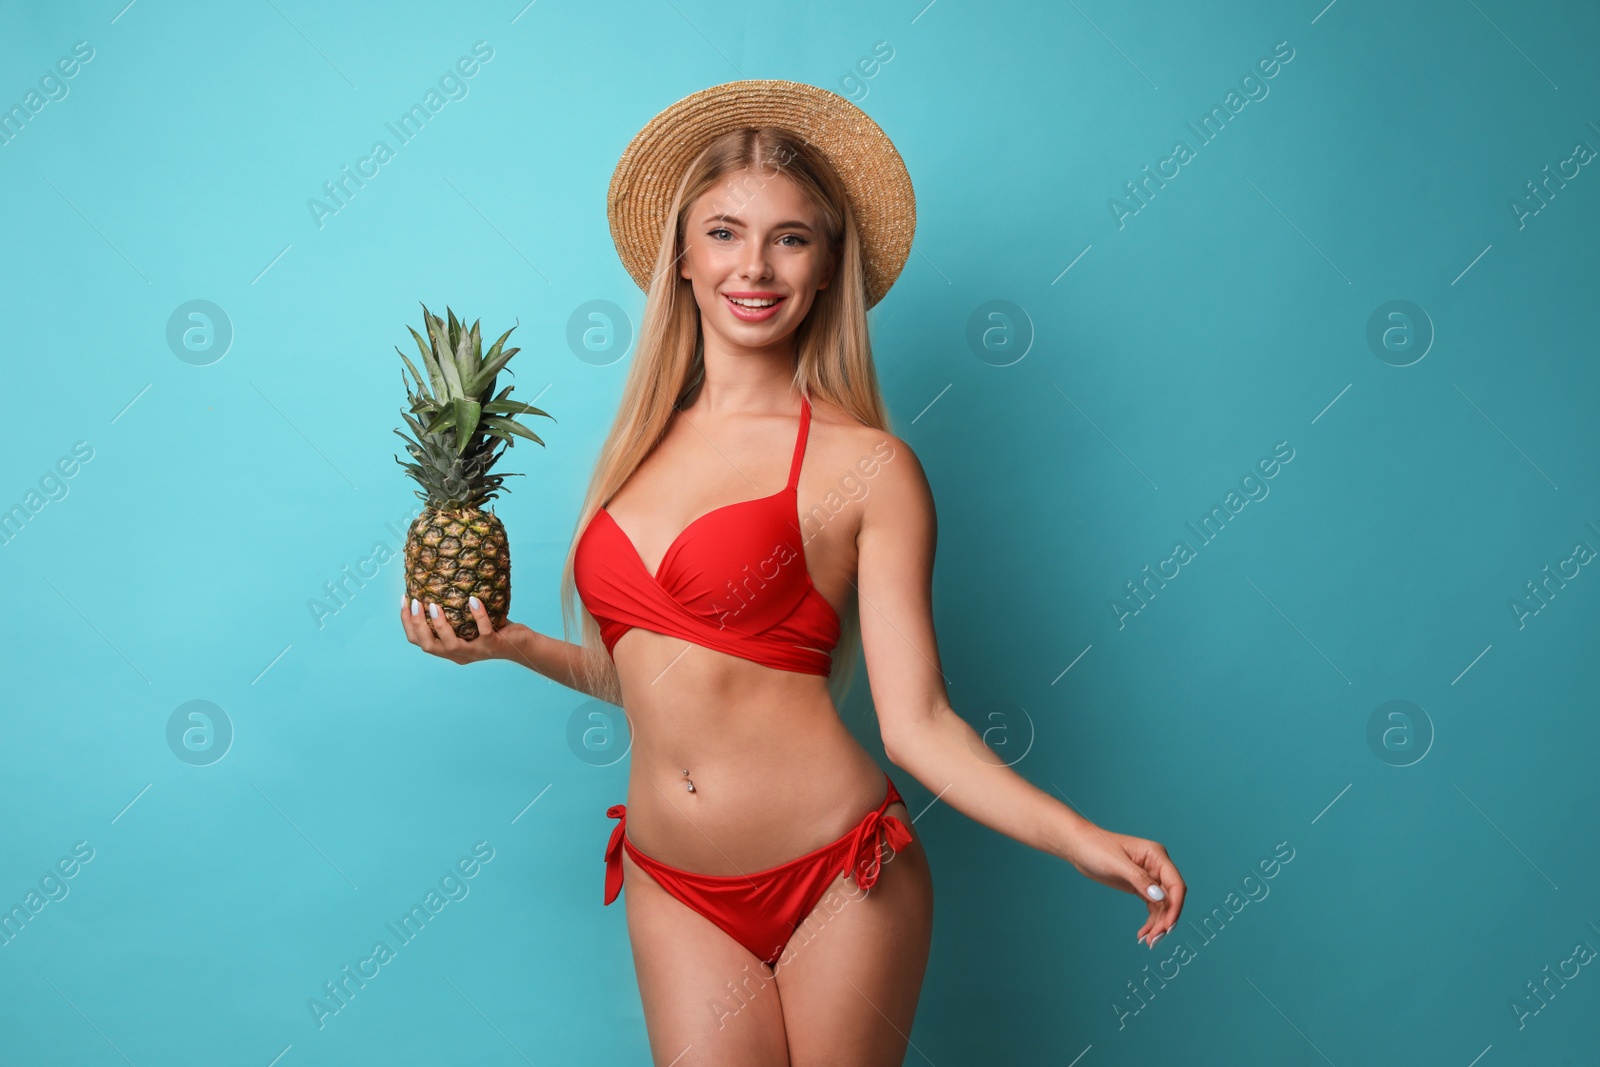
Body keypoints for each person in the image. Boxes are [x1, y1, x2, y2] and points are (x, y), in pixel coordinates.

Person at [401, 79, 1186, 1067]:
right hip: (669, 879)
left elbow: (917, 723)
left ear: (826, 271)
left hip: (838, 871)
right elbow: (660, 677)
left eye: (791, 238)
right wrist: (511, 645)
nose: (755, 265)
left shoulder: (868, 465)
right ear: (680, 260)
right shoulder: (630, 455)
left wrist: (1077, 836)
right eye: (724, 232)